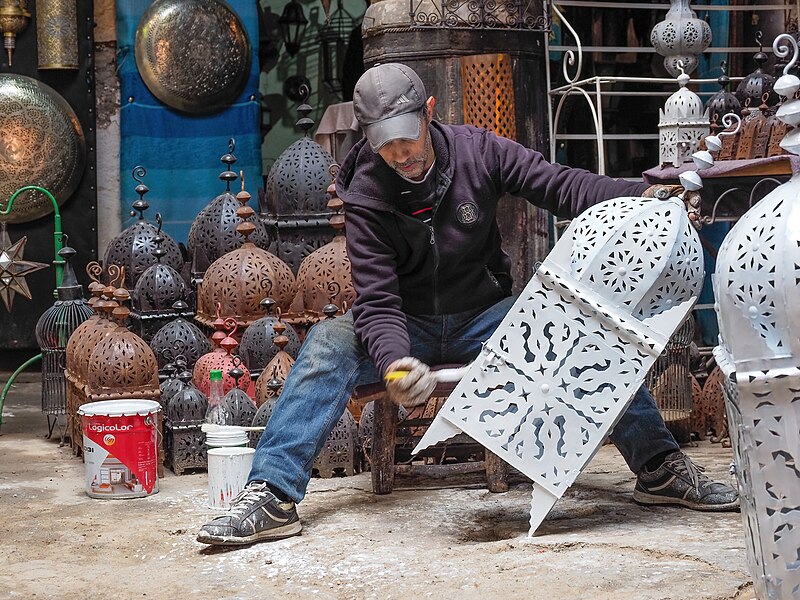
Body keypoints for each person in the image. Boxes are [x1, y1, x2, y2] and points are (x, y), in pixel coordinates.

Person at [196, 63, 737, 547]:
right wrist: (395, 364)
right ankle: (271, 493)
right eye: (386, 146)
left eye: (408, 140)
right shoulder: (363, 192)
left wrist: (636, 193)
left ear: (429, 113)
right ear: (367, 136)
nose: (400, 155)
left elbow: (559, 185)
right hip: (405, 325)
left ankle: (660, 469)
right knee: (326, 345)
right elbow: (378, 299)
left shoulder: (481, 151)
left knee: (577, 330)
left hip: (485, 317)